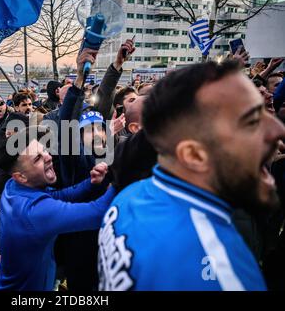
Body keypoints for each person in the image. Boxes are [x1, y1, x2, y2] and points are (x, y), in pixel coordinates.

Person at [98, 61, 285, 290]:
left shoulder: (127, 198)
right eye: (250, 122)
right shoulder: (225, 273)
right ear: (193, 154)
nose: (278, 130)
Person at [0, 130, 116, 291]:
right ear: (20, 176)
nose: (48, 156)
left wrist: (91, 182)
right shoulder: (35, 212)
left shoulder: (13, 185)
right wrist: (120, 178)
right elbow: (98, 214)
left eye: (43, 150)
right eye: (37, 158)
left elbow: (58, 195)